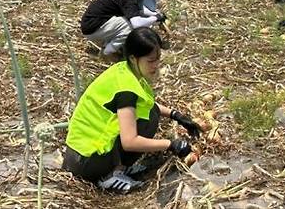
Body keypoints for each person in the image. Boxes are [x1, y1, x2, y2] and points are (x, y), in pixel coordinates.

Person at [63, 28, 201, 192]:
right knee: (149, 120)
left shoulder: (125, 70)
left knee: (151, 113)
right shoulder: (126, 90)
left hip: (79, 156)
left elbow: (147, 104)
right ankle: (108, 176)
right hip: (86, 160)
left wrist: (176, 115)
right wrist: (171, 144)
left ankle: (117, 167)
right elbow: (130, 142)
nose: (156, 66)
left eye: (157, 59)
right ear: (134, 58)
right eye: (150, 61)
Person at [80, 0, 165, 55]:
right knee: (129, 26)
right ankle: (106, 53)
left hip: (94, 24)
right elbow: (136, 23)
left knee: (128, 20)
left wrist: (156, 14)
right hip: (92, 28)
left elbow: (138, 9)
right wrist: (155, 18)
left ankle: (111, 46)